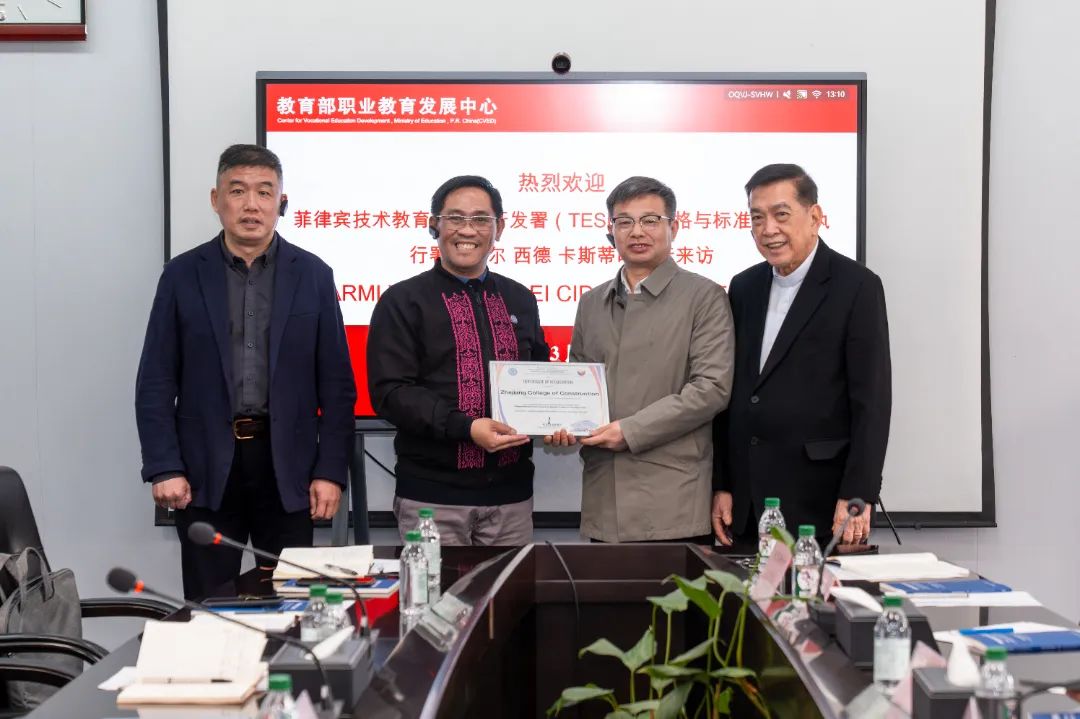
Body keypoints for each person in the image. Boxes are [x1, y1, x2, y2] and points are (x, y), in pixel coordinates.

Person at [135, 144, 356, 599]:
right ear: (216, 200)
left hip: (289, 469)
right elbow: (156, 379)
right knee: (210, 605)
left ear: (282, 202)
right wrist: (164, 466)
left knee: (293, 602)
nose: (251, 205)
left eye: (264, 192)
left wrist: (331, 471)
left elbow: (336, 387)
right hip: (204, 471)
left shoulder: (314, 274)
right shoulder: (181, 275)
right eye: (237, 191)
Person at [547, 176, 734, 543]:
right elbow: (579, 389)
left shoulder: (704, 296)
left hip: (673, 498)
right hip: (605, 497)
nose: (637, 232)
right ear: (611, 232)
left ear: (673, 228)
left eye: (650, 220)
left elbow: (711, 389)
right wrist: (562, 422)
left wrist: (630, 431)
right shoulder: (591, 303)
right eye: (624, 221)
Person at [713, 163, 891, 548]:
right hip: (747, 503)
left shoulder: (856, 286)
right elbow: (734, 394)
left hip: (820, 501)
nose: (768, 229)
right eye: (757, 218)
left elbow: (872, 401)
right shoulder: (744, 287)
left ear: (815, 217)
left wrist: (858, 493)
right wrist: (723, 483)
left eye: (781, 214)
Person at [367, 175, 550, 545]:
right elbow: (391, 393)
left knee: (510, 586)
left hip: (511, 498)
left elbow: (539, 376)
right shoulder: (402, 301)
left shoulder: (520, 299)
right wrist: (466, 427)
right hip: (431, 499)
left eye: (481, 219)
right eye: (455, 218)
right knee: (433, 587)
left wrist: (555, 421)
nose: (467, 230)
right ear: (434, 225)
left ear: (499, 228)